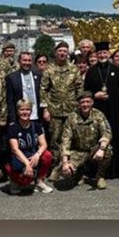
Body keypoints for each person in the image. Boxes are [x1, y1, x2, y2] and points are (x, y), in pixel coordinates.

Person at [84, 41, 119, 178]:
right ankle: (97, 170)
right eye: (99, 53)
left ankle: (116, 170)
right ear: (96, 54)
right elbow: (85, 91)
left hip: (115, 112)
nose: (102, 55)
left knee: (116, 139)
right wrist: (95, 95)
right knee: (97, 139)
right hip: (98, 111)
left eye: (104, 53)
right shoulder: (91, 71)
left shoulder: (116, 71)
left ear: (108, 53)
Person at [41, 41, 83, 177]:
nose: (62, 53)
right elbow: (43, 90)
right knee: (55, 140)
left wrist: (80, 107)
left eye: (65, 51)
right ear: (55, 53)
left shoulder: (74, 69)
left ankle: (72, 168)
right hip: (55, 111)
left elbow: (79, 88)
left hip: (72, 110)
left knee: (73, 139)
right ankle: (55, 168)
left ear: (68, 53)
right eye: (60, 51)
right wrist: (45, 109)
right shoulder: (49, 70)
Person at [58, 91, 113, 189]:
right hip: (78, 151)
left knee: (108, 150)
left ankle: (100, 177)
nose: (85, 104)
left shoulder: (98, 115)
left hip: (94, 149)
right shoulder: (72, 117)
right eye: (82, 102)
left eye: (88, 102)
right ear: (79, 104)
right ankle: (78, 175)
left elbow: (107, 132)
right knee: (65, 171)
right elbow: (66, 139)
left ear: (92, 103)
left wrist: (102, 149)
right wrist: (65, 161)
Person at [5, 99, 53, 194]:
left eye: (27, 109)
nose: (25, 112)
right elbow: (15, 149)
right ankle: (15, 182)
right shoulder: (13, 128)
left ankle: (39, 182)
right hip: (20, 158)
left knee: (47, 155)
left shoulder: (37, 126)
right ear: (17, 111)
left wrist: (37, 155)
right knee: (19, 176)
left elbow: (44, 144)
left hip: (33, 155)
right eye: (22, 109)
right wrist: (27, 164)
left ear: (31, 111)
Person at [6, 51, 45, 124]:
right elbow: (10, 101)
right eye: (24, 60)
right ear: (19, 61)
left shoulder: (38, 75)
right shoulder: (11, 78)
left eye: (29, 60)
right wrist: (12, 119)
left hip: (36, 116)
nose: (27, 63)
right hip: (20, 117)